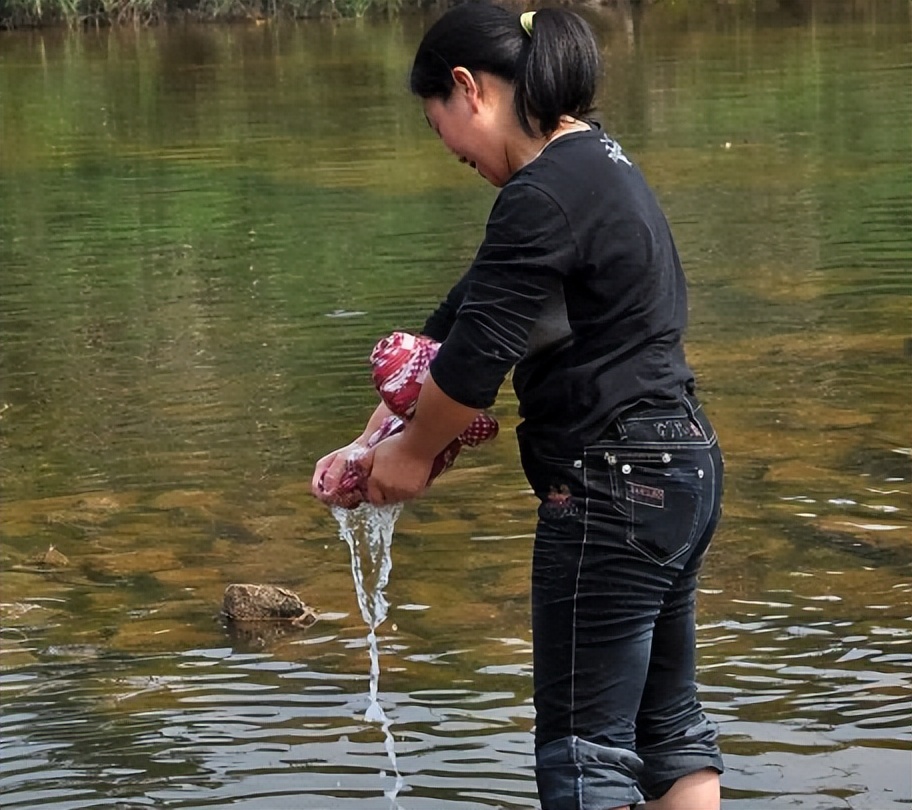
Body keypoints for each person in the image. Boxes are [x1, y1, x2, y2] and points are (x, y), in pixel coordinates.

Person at [312, 3, 725, 808]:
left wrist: (410, 456)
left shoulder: (541, 194)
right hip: (684, 472)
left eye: (441, 130)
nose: (452, 156)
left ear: (468, 89)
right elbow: (474, 306)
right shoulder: (599, 162)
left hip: (610, 485)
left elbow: (473, 365)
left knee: (584, 754)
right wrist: (384, 429)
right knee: (668, 727)